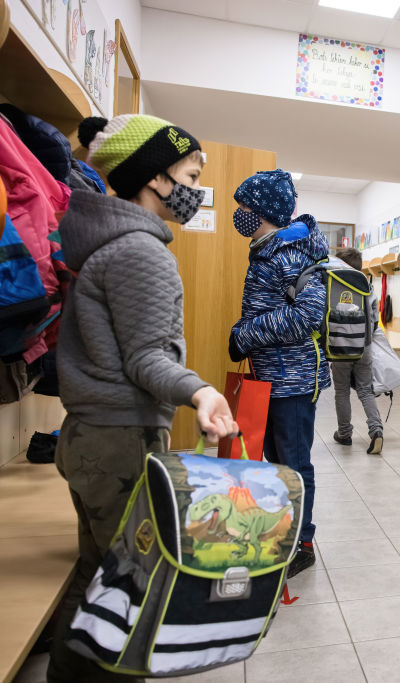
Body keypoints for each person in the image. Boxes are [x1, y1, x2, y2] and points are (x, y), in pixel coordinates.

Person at [49, 115, 238, 683]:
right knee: (135, 592)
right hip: (120, 442)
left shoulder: (104, 244)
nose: (196, 188)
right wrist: (201, 390)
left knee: (98, 577)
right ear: (156, 178)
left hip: (87, 437)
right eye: (191, 173)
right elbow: (148, 360)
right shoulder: (140, 252)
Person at [228, 169, 329, 579]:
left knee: (293, 463)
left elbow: (307, 315)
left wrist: (245, 334)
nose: (240, 214)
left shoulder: (293, 254)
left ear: (264, 212)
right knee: (273, 461)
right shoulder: (267, 250)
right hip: (270, 376)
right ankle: (280, 531)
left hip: (294, 380)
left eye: (244, 207)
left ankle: (302, 544)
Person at [329, 247, 384, 454]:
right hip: (364, 346)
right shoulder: (367, 285)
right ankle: (376, 431)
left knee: (341, 391)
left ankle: (344, 434)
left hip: (339, 347)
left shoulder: (331, 285)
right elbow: (375, 319)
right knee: (365, 390)